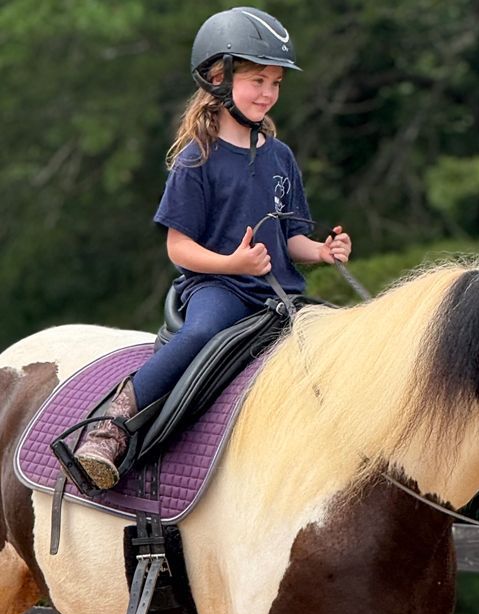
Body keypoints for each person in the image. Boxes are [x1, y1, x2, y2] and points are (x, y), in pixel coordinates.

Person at [74, 7, 352, 490]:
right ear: (220, 80)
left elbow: (291, 239)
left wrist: (323, 252)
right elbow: (179, 248)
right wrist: (232, 263)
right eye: (257, 81)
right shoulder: (195, 159)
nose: (268, 93)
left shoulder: (281, 156)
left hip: (278, 295)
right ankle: (112, 424)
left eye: (276, 84)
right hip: (220, 289)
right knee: (202, 333)